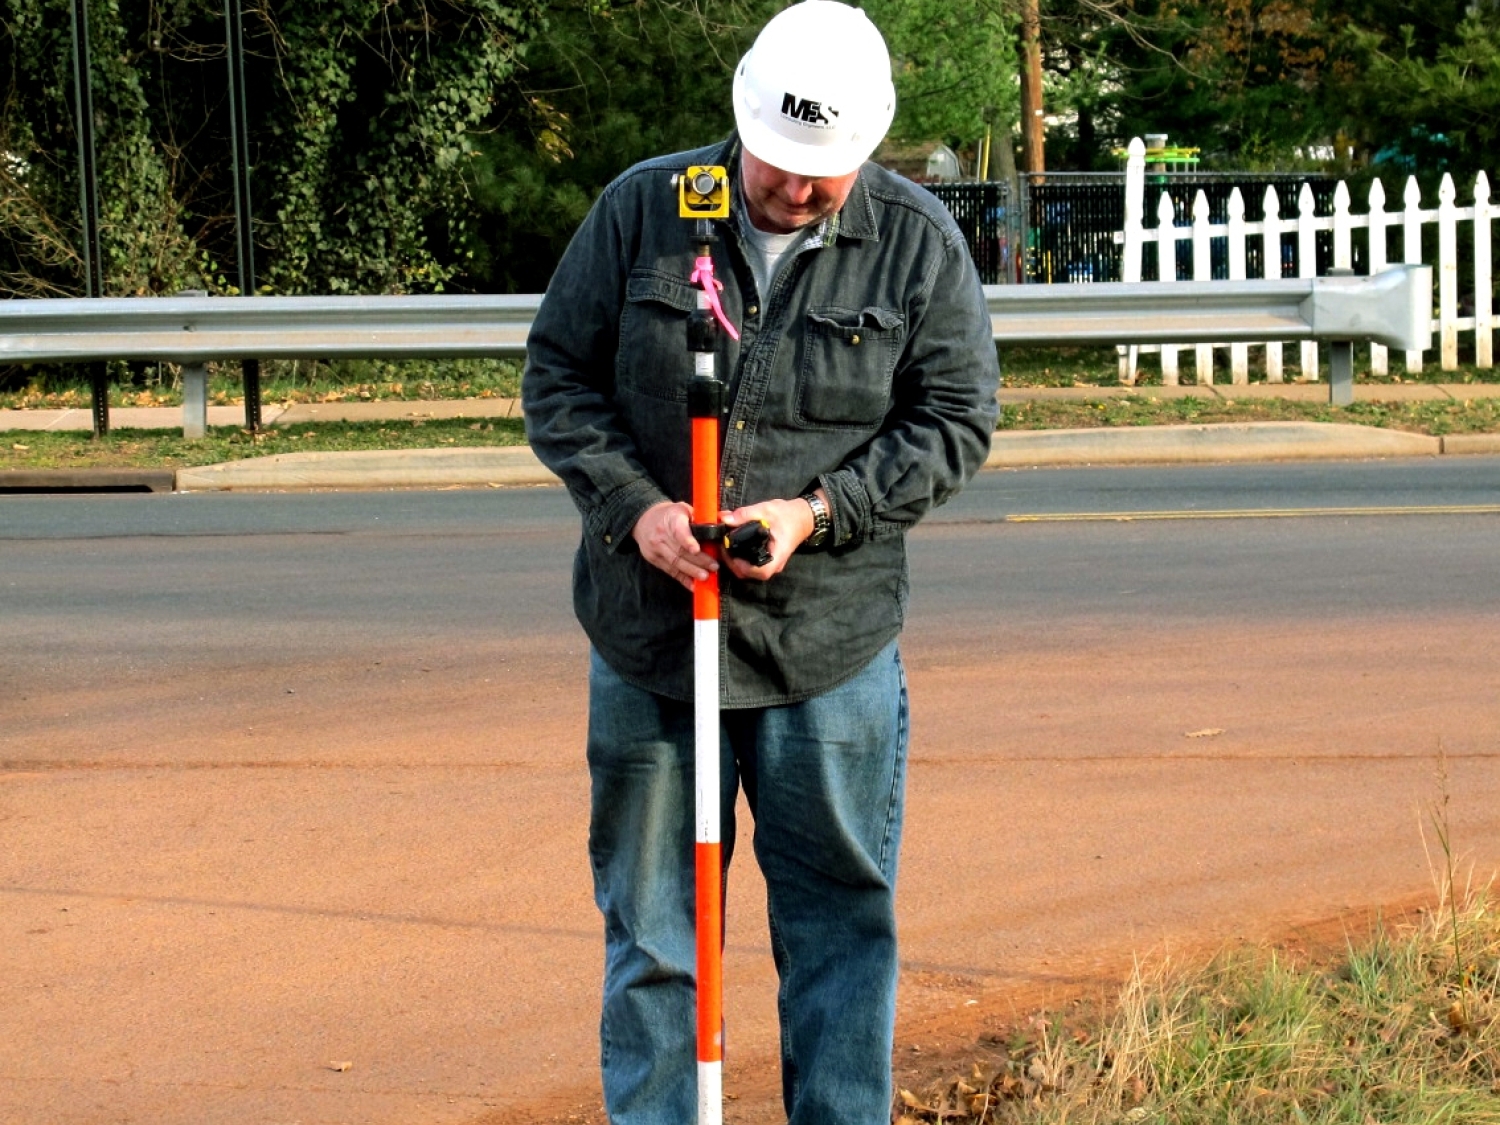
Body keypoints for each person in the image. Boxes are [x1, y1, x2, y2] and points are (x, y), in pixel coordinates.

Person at [522, 3, 1000, 1122]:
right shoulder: (645, 209)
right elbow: (558, 377)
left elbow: (955, 420)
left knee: (838, 928)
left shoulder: (918, 242)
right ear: (744, 120)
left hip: (826, 652)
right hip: (650, 646)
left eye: (825, 170)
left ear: (868, 143)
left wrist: (816, 513)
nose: (796, 188)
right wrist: (637, 511)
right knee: (655, 934)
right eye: (780, 161)